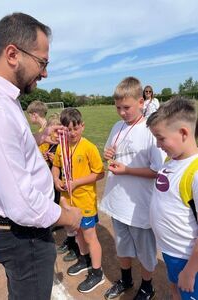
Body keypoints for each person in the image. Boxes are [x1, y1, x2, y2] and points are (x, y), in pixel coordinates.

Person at [0, 12, 82, 300]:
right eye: (42, 62)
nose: (45, 73)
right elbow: (22, 205)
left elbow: (3, 151)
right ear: (12, 54)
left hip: (12, 229)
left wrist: (37, 138)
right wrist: (68, 216)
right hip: (23, 234)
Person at [100, 77, 165, 300]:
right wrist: (107, 154)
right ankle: (126, 279)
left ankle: (147, 286)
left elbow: (159, 170)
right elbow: (111, 152)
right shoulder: (117, 127)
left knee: (146, 252)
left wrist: (127, 170)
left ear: (141, 102)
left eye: (126, 107)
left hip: (140, 206)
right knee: (122, 246)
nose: (121, 112)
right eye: (118, 107)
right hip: (118, 202)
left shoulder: (150, 131)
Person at [147, 97, 198, 300]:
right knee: (174, 289)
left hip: (188, 259)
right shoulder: (171, 160)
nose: (158, 145)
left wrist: (191, 270)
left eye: (161, 138)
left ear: (183, 133)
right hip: (170, 252)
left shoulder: (195, 173)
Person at [52, 108, 105, 293]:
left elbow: (100, 173)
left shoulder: (88, 147)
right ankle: (84, 260)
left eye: (75, 128)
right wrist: (56, 179)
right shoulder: (61, 146)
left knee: (90, 236)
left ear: (82, 126)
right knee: (78, 234)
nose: (72, 133)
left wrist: (76, 183)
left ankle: (97, 273)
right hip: (69, 201)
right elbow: (56, 166)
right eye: (68, 130)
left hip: (85, 202)